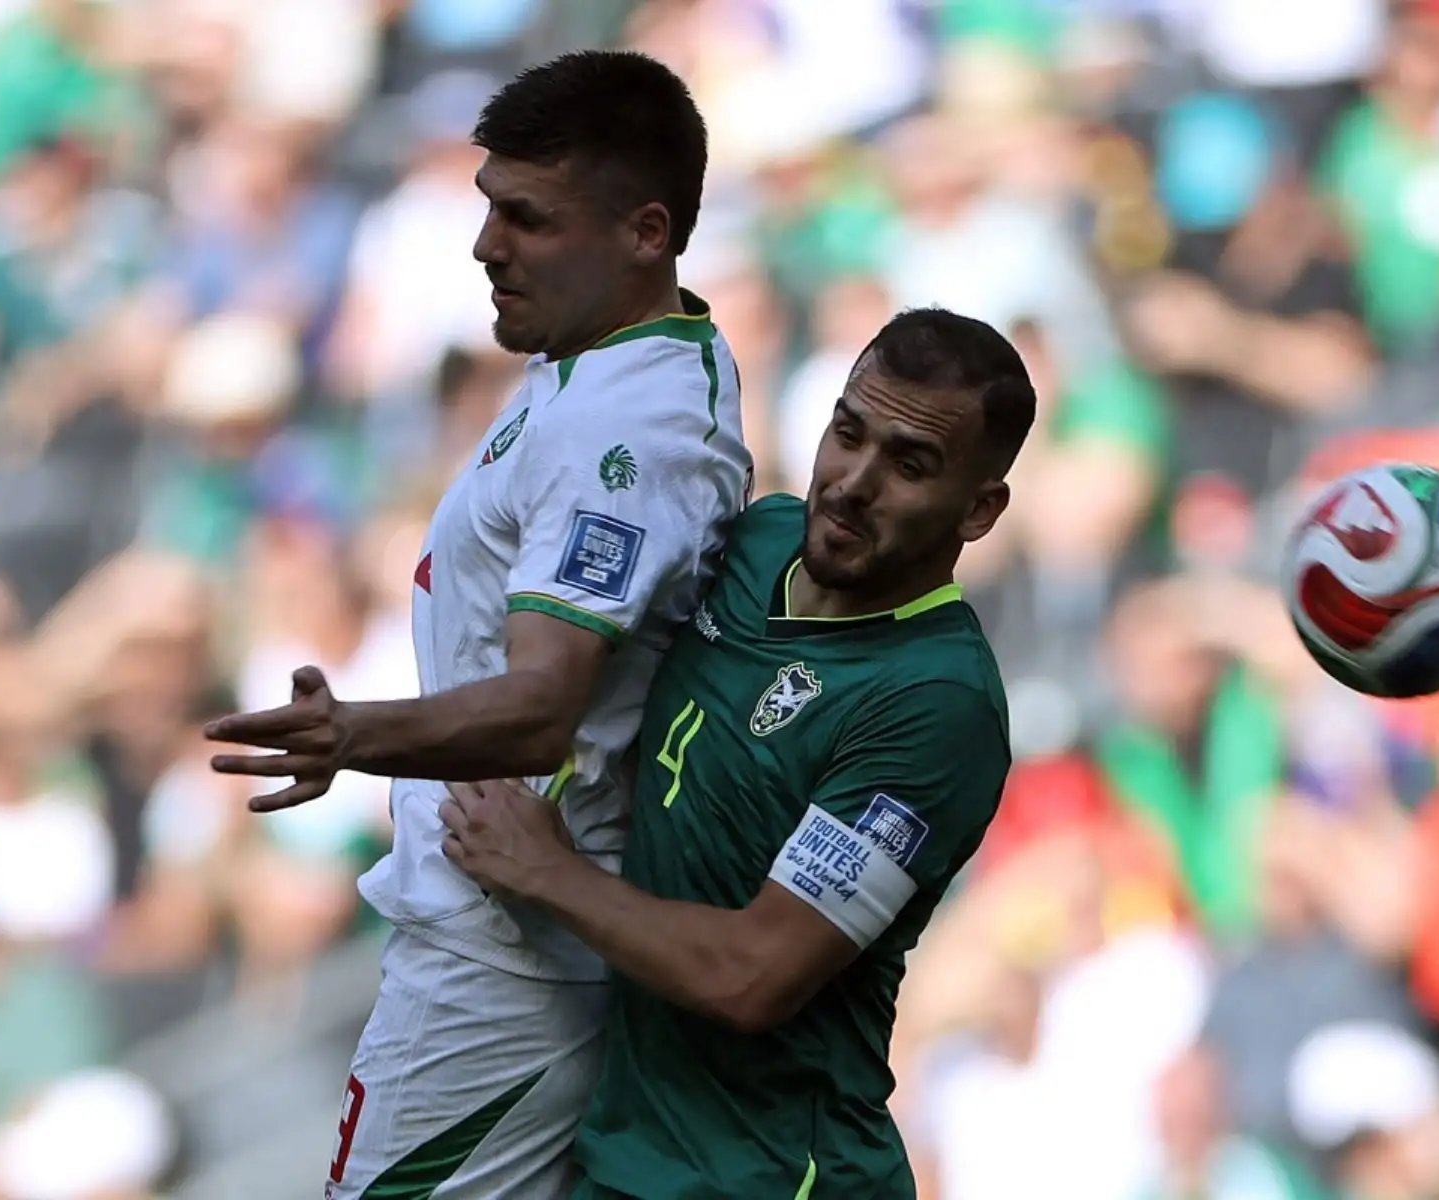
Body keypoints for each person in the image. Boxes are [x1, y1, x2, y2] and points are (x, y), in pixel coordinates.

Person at [202, 51, 752, 1199]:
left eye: (527, 217)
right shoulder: (588, 368)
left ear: (647, 232)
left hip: (509, 964)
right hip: (490, 943)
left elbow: (544, 707)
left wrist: (352, 736)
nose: (485, 245)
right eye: (486, 207)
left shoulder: (628, 433)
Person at [439, 307, 1033, 1199]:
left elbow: (753, 974)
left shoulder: (934, 703)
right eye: (848, 433)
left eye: (908, 465)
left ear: (980, 509)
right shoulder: (759, 541)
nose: (853, 483)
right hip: (627, 1151)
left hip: (769, 1177)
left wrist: (545, 870)